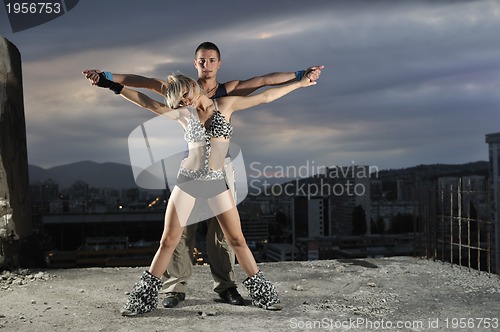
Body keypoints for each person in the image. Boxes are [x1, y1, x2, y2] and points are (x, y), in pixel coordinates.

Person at [84, 42, 323, 309]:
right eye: (180, 100)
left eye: (185, 96)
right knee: (169, 240)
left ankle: (262, 294)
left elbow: (265, 94)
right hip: (188, 180)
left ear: (193, 85)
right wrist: (111, 83)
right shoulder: (183, 113)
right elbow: (145, 100)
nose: (185, 102)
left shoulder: (226, 103)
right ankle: (143, 298)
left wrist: (300, 82)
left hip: (216, 181)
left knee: (235, 239)